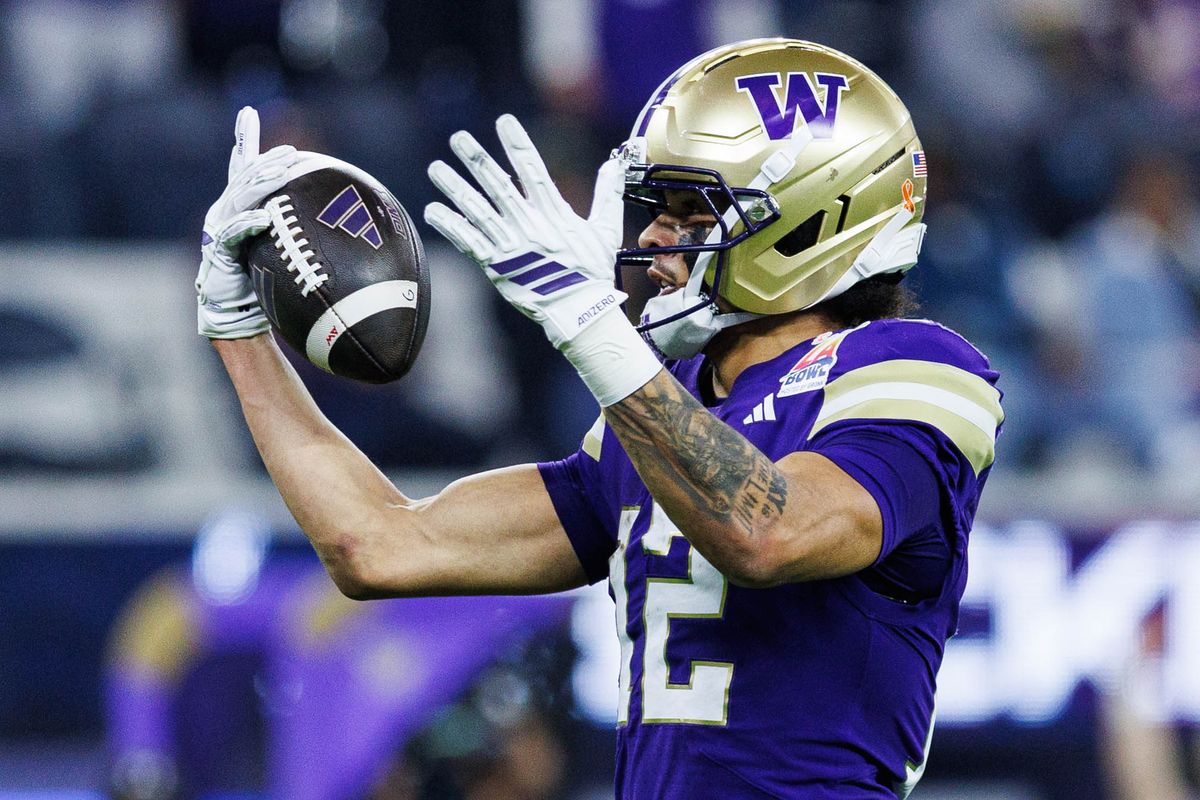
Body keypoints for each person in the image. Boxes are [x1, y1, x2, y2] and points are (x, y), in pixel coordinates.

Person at [195, 38, 1003, 799]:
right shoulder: (659, 409)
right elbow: (377, 546)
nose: (652, 234)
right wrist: (238, 329)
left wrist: (594, 329)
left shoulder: (914, 367)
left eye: (691, 211)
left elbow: (769, 531)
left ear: (812, 222)